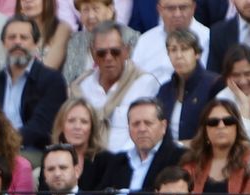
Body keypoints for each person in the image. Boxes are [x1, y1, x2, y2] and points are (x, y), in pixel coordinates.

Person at [0, 15, 67, 154]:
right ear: (3, 43)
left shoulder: (52, 81)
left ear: (36, 44)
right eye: (12, 37)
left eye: (24, 38)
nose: (17, 42)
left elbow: (41, 127)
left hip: (35, 151)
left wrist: (5, 144)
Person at [70, 21, 158, 152]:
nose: (108, 58)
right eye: (101, 53)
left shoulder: (144, 84)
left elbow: (148, 132)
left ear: (126, 51)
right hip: (88, 160)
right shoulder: (81, 87)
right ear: (93, 54)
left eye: (115, 52)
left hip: (127, 161)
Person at [182, 100, 250, 195]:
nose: (221, 126)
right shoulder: (191, 165)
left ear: (237, 127)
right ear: (205, 130)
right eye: (213, 122)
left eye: (228, 121)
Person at [157, 28, 220, 144]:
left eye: (184, 49)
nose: (178, 56)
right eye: (173, 50)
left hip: (201, 153)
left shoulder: (214, 84)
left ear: (197, 54)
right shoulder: (164, 90)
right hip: (168, 155)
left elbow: (219, 129)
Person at [132, 0, 208, 87]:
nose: (177, 14)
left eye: (183, 8)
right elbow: (134, 81)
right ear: (159, 9)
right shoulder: (145, 41)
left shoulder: (208, 38)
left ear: (193, 7)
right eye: (170, 8)